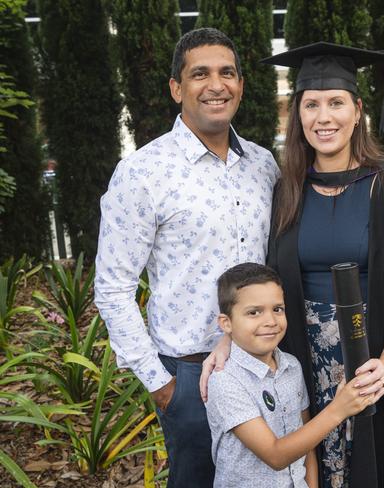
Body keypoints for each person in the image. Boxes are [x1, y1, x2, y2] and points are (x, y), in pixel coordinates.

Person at [201, 42, 384, 488]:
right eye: (312, 104)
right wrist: (231, 341)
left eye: (336, 103)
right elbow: (260, 283)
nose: (325, 118)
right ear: (297, 114)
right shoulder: (289, 191)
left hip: (374, 355)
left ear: (357, 110)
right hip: (303, 355)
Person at [94, 28, 279, 487]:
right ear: (178, 88)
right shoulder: (143, 172)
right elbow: (113, 287)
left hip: (264, 365)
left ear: (240, 84)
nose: (216, 85)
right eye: (201, 74)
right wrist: (162, 386)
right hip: (190, 376)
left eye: (227, 73)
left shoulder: (264, 165)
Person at [206, 262, 373, 487]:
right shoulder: (226, 380)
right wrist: (339, 409)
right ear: (226, 323)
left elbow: (306, 443)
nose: (270, 321)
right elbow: (275, 456)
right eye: (254, 312)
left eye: (277, 309)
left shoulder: (291, 367)